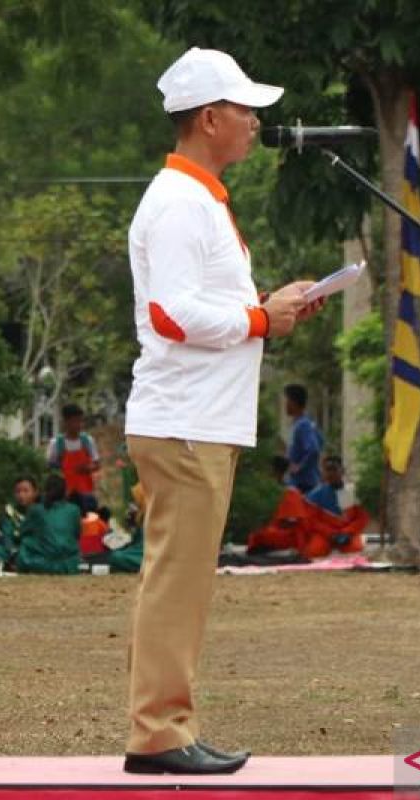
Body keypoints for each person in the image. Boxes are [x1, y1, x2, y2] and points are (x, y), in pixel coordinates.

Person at [122, 46, 320, 776]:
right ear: (210, 119)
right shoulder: (178, 202)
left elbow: (197, 305)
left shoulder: (196, 199)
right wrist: (263, 318)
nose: (254, 122)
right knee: (175, 585)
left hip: (196, 419)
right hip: (185, 422)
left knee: (177, 582)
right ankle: (159, 733)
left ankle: (165, 726)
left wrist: (270, 310)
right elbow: (172, 313)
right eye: (245, 110)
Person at [15, 473, 81, 575]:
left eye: (25, 491)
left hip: (45, 563)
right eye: (19, 491)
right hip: (71, 565)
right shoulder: (74, 509)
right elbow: (77, 535)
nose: (21, 495)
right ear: (65, 492)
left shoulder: (36, 510)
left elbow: (22, 533)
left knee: (26, 542)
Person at [46, 404, 100, 512]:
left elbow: (97, 464)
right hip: (64, 495)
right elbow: (50, 467)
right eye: (75, 421)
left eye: (80, 421)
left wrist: (87, 468)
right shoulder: (56, 443)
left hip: (86, 493)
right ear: (66, 422)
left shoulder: (87, 441)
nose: (79, 425)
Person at [283, 384, 322, 494]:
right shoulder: (306, 423)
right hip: (301, 482)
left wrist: (299, 467)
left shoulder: (303, 424)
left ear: (294, 402)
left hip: (303, 484)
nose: (285, 404)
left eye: (287, 401)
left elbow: (314, 449)